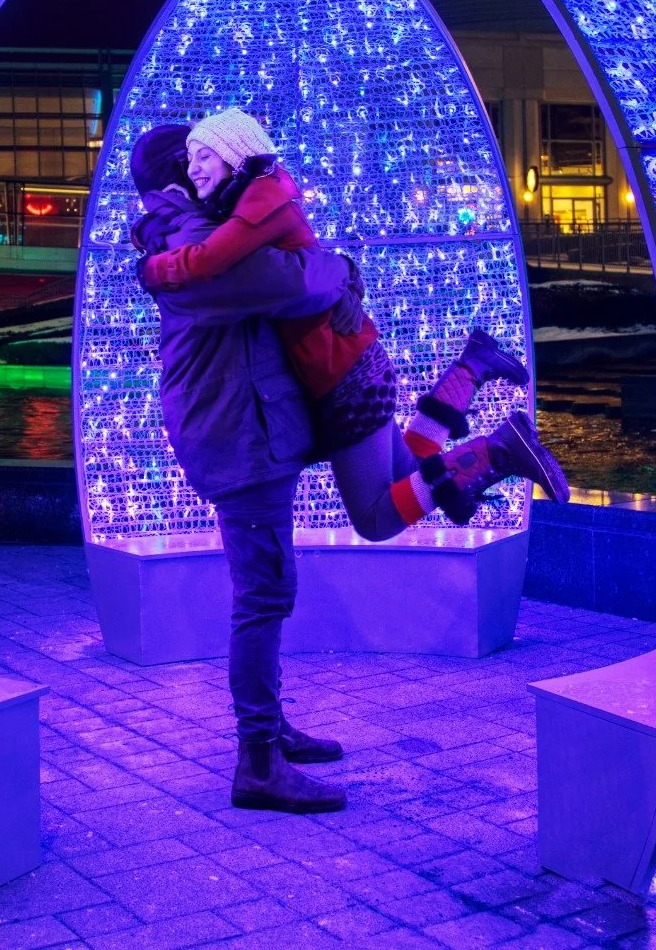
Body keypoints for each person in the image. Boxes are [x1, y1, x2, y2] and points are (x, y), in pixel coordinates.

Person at [141, 107, 569, 539]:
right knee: (414, 474)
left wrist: (155, 271)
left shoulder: (247, 206)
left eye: (203, 156)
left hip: (343, 377)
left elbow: (261, 273)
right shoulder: (246, 199)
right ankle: (472, 368)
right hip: (351, 363)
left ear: (234, 154)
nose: (195, 169)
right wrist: (342, 270)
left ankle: (500, 450)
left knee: (375, 518)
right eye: (188, 159)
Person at [128, 123, 363, 815]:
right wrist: (341, 269)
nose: (211, 172)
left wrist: (333, 268)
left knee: (269, 589)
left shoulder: (201, 230)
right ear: (178, 176)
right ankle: (257, 762)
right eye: (195, 162)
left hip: (246, 429)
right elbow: (282, 279)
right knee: (263, 595)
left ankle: (273, 729)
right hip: (237, 439)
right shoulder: (186, 238)